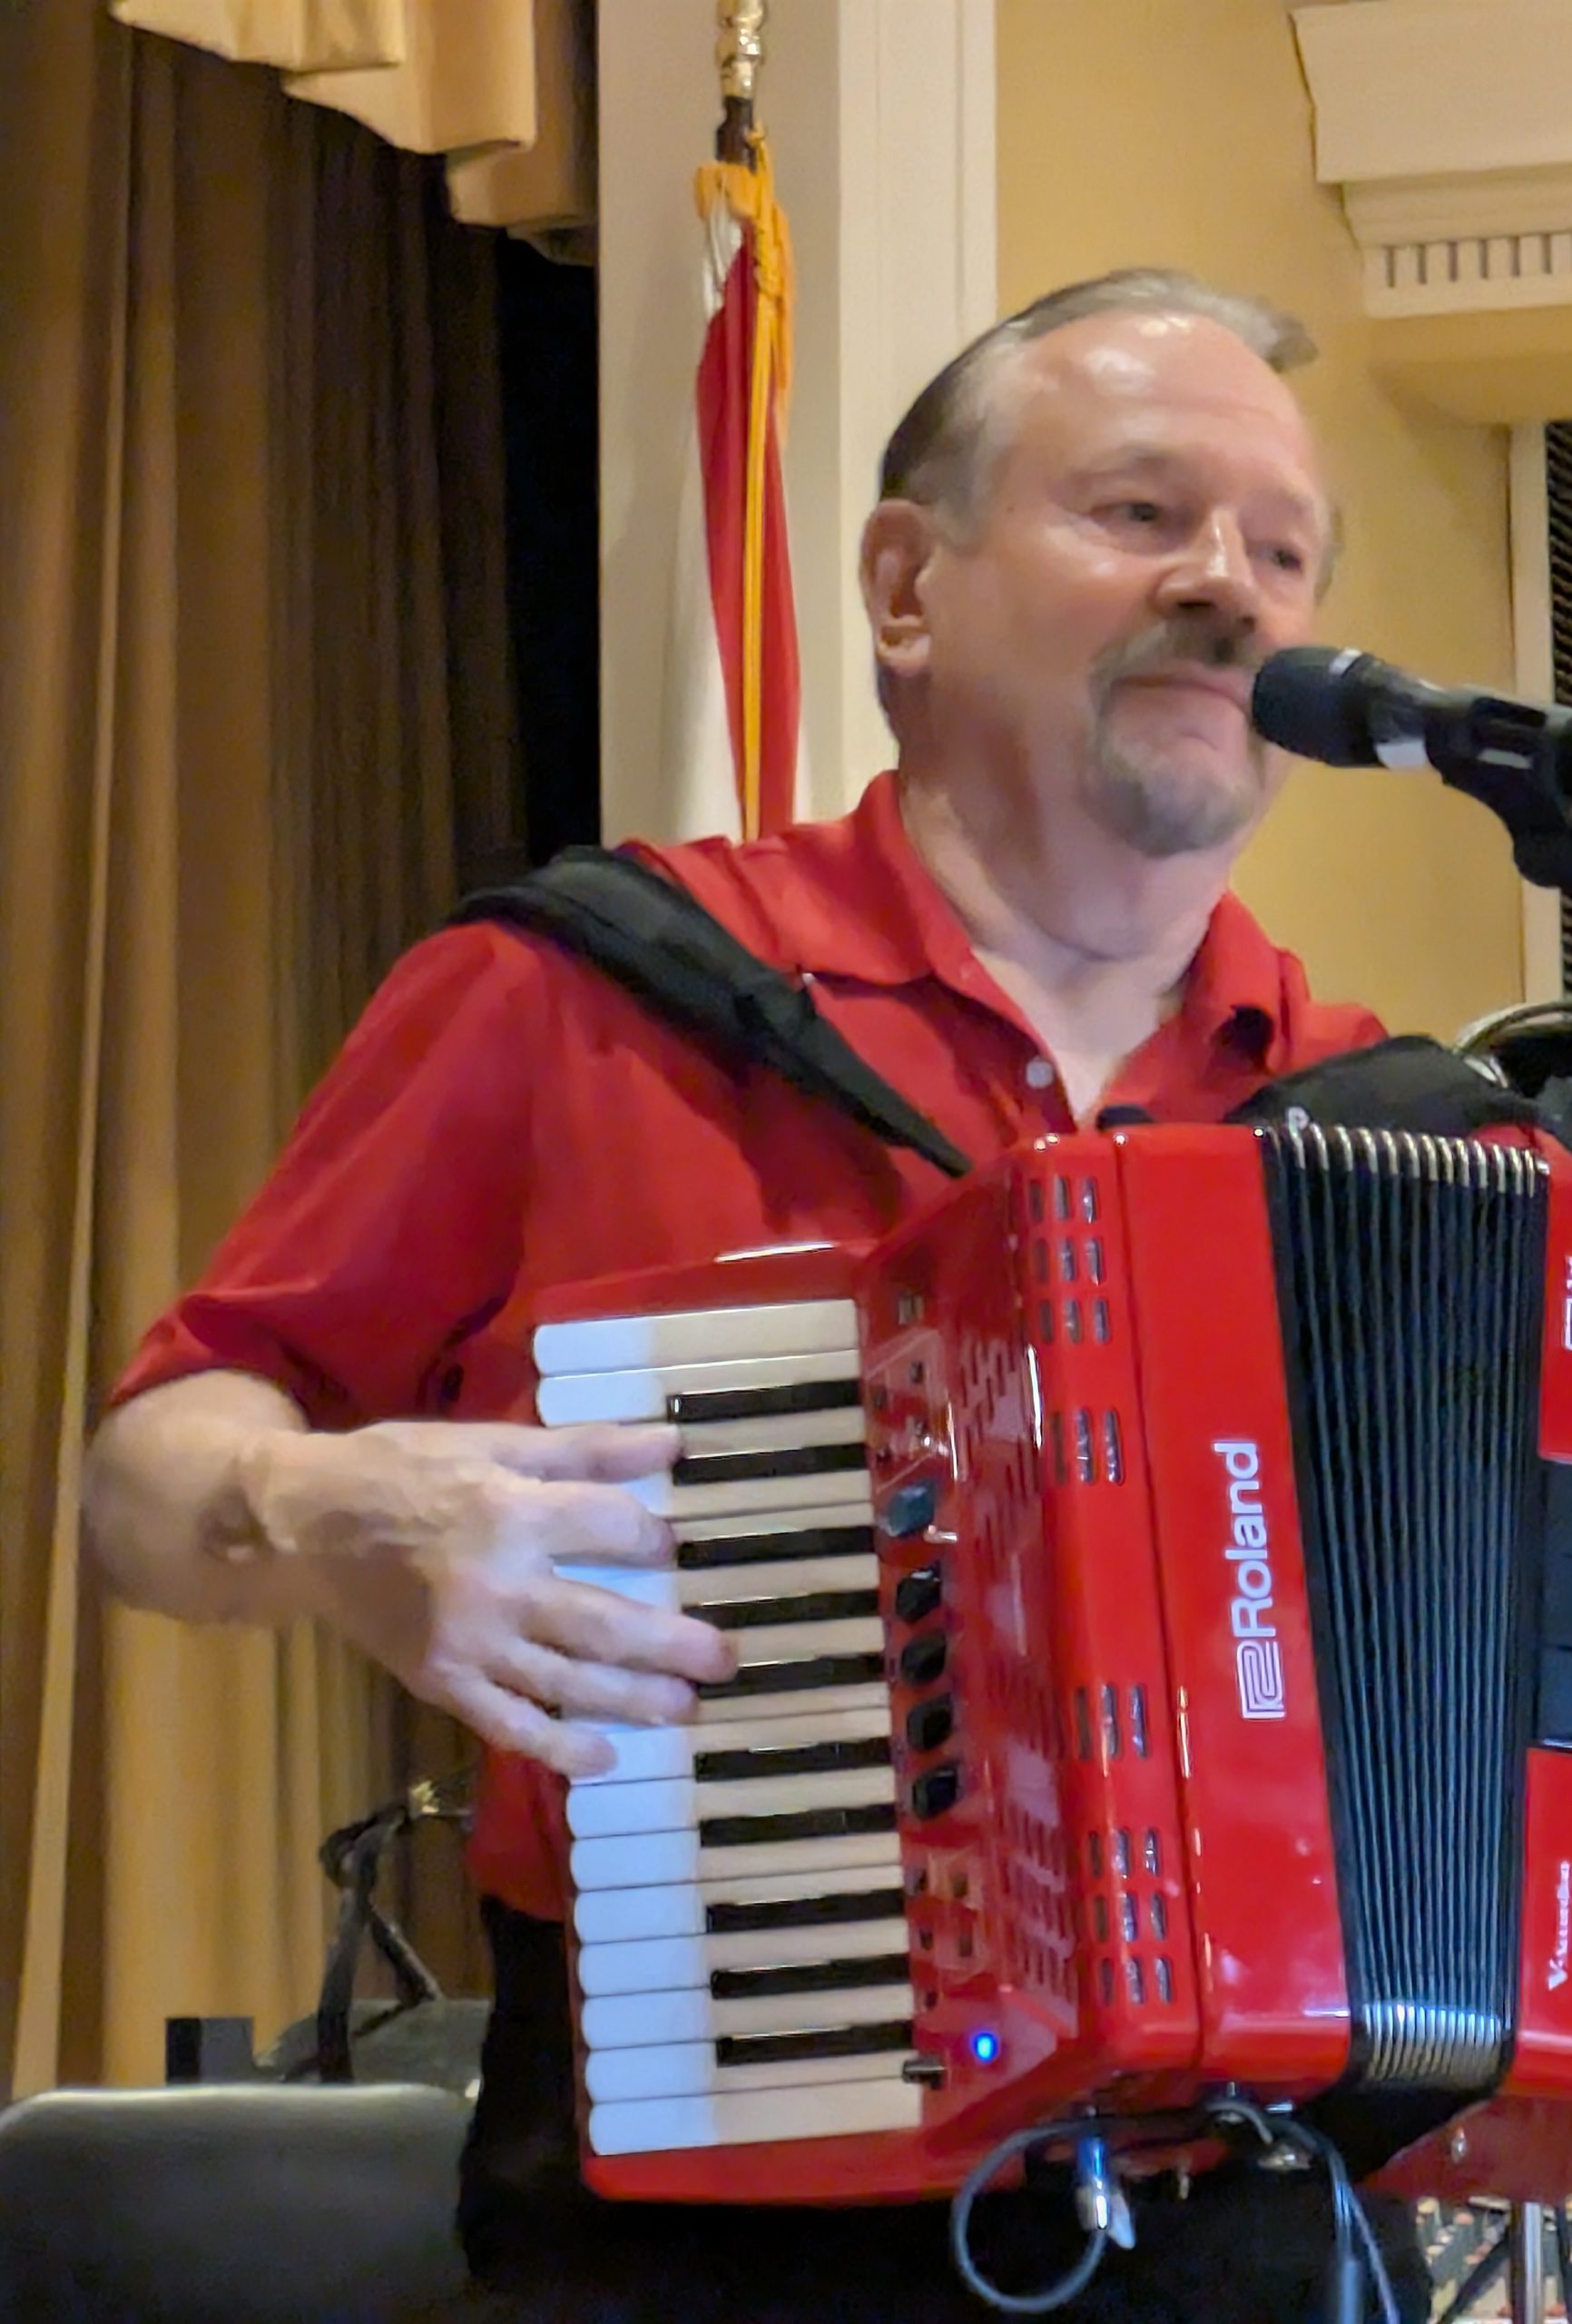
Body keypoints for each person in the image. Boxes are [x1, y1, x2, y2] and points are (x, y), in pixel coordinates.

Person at [85, 264, 1487, 2321]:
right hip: (702, 2215)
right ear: (905, 588)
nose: (1228, 587)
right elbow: (145, 1476)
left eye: (1282, 553)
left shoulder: (1411, 1144)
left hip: (1265, 2224)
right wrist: (321, 1502)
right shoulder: (585, 994)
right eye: (1140, 513)